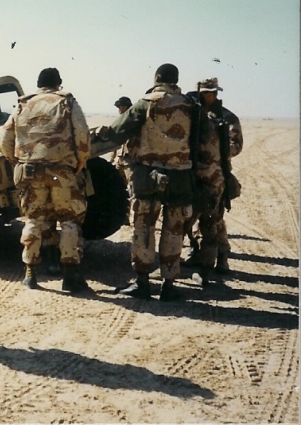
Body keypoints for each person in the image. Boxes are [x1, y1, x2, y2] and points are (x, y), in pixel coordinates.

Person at [100, 63, 206, 302]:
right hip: (180, 178)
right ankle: (169, 286)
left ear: (156, 78)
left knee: (144, 229)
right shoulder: (192, 106)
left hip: (148, 177)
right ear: (176, 80)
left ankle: (143, 284)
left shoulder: (146, 102)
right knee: (174, 230)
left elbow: (118, 130)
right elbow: (202, 140)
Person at [0, 67, 91, 293]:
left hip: (30, 171)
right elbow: (82, 135)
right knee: (69, 220)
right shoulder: (66, 101)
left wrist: (17, 162)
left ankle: (30, 273)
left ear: (38, 84)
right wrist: (80, 161)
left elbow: (3, 142)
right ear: (58, 83)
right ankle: (70, 275)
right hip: (62, 171)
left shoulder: (22, 104)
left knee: (34, 219)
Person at [183, 78, 243, 278]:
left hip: (216, 176)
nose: (209, 95)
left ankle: (220, 258)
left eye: (212, 92)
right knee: (188, 216)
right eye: (206, 91)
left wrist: (221, 153)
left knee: (214, 219)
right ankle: (196, 252)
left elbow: (237, 144)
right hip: (192, 173)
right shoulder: (191, 114)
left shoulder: (227, 117)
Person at [110, 96, 134, 225]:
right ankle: (122, 217)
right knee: (118, 189)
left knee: (131, 191)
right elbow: (115, 143)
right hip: (120, 160)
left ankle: (130, 217)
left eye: (120, 107)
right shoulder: (120, 122)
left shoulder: (134, 121)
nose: (119, 110)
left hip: (130, 161)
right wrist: (112, 159)